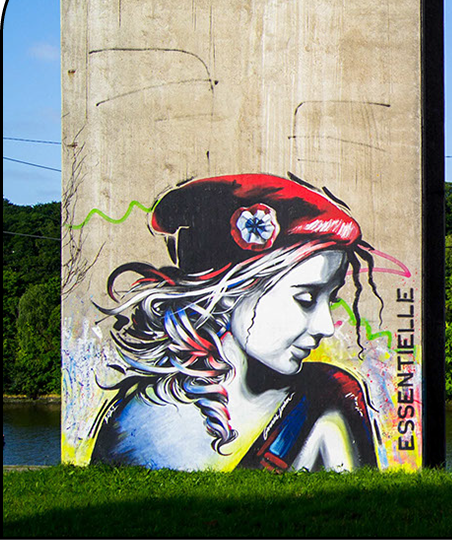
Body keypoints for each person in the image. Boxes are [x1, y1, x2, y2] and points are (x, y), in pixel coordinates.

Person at [89, 174, 380, 472]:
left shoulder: (327, 397)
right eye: (306, 298)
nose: (326, 327)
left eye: (330, 300)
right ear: (231, 293)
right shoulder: (139, 419)